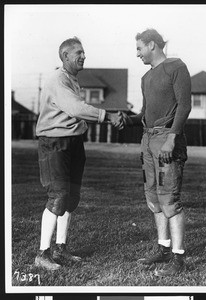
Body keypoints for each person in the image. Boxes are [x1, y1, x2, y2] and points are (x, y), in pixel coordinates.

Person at [35, 36, 122, 270]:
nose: (84, 56)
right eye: (79, 53)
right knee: (58, 195)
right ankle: (42, 254)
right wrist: (108, 116)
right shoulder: (57, 80)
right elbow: (75, 108)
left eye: (84, 52)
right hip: (54, 144)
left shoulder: (72, 79)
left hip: (73, 142)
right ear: (65, 56)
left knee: (71, 198)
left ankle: (60, 249)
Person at [120, 28, 191, 276]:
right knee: (153, 197)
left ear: (152, 45)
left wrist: (172, 138)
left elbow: (184, 105)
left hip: (166, 138)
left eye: (139, 48)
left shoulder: (176, 67)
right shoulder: (145, 78)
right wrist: (128, 120)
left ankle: (178, 259)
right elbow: (144, 113)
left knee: (169, 199)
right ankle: (163, 249)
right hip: (147, 139)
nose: (137, 53)